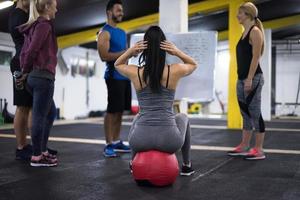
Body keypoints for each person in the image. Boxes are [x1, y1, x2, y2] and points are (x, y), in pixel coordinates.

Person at [115, 26, 197, 176]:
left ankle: (134, 163)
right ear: (164, 47)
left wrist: (130, 51)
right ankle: (186, 165)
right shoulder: (174, 69)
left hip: (139, 141)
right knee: (183, 117)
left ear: (144, 48)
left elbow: (117, 64)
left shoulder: (136, 72)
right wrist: (176, 52)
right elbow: (193, 64)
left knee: (139, 116)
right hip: (170, 141)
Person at [19, 0, 58, 167]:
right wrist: (24, 71)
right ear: (48, 7)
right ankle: (36, 156)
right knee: (40, 116)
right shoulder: (44, 26)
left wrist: (25, 71)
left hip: (35, 76)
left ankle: (42, 151)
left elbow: (24, 52)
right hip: (42, 77)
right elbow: (32, 50)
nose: (57, 8)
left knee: (50, 113)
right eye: (55, 5)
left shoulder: (34, 26)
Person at [228, 2, 266, 160]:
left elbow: (256, 57)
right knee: (245, 113)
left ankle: (258, 149)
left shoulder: (255, 32)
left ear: (248, 15)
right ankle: (244, 145)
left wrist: (250, 79)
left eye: (240, 13)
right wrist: (243, 79)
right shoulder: (244, 32)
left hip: (253, 77)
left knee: (255, 113)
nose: (237, 16)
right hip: (242, 78)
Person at [97, 0, 131, 157]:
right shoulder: (104, 32)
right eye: (118, 10)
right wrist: (126, 53)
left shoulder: (123, 32)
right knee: (112, 111)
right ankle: (108, 144)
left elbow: (124, 55)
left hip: (124, 76)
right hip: (112, 76)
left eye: (122, 10)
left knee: (120, 111)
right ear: (109, 12)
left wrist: (129, 54)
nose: (121, 13)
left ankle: (117, 141)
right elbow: (104, 56)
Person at [9, 0, 32, 161]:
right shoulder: (18, 16)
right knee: (22, 107)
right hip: (20, 64)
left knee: (28, 106)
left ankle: (32, 144)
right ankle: (20, 147)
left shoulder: (24, 14)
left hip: (26, 64)